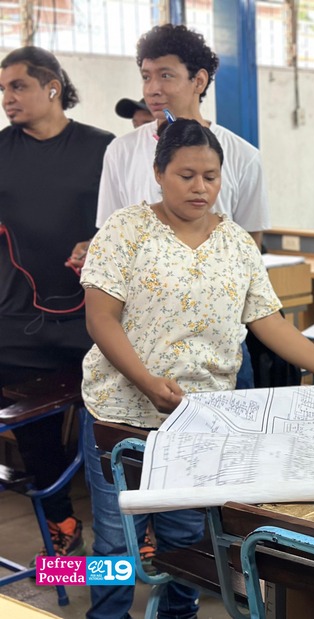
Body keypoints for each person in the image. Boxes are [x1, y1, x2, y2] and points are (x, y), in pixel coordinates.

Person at [80, 119, 314, 619]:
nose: (200, 187)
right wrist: (146, 382)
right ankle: (102, 614)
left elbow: (268, 321)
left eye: (210, 177)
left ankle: (179, 614)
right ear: (159, 174)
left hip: (198, 422)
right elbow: (100, 318)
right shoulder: (125, 230)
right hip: (120, 414)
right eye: (186, 176)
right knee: (113, 544)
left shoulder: (236, 243)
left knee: (186, 540)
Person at [90, 23, 273, 390]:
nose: (152, 89)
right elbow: (108, 242)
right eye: (146, 76)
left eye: (166, 75)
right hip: (141, 348)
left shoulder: (242, 155)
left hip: (218, 348)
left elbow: (248, 244)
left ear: (199, 81)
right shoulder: (121, 152)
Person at [0, 47, 114, 559]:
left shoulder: (102, 149)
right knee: (36, 438)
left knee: (114, 433)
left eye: (18, 86)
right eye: (3, 89)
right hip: (18, 321)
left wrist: (97, 243)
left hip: (94, 318)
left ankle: (137, 533)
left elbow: (128, 223)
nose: (7, 98)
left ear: (52, 87)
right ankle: (62, 533)